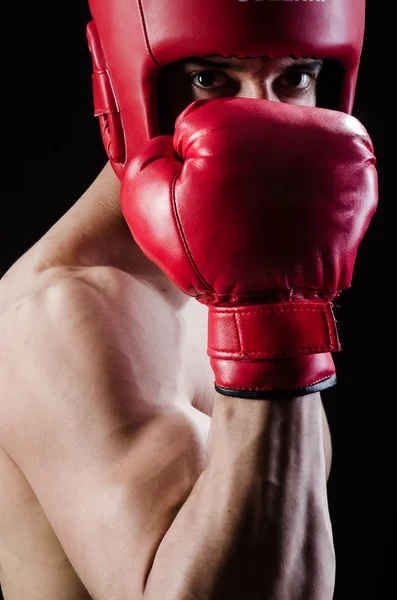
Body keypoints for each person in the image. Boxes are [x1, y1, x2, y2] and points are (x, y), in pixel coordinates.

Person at [0, 1, 377, 599]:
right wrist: (264, 312)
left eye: (296, 78)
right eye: (210, 79)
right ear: (122, 81)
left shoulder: (233, 265)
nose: (261, 117)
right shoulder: (59, 315)